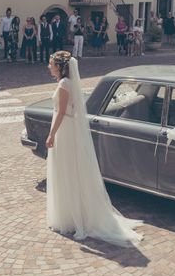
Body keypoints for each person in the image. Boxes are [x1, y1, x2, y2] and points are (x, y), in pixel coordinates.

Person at [45, 50, 142, 246]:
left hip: (64, 130)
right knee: (72, 171)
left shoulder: (64, 84)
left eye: (52, 64)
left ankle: (72, 218)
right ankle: (72, 213)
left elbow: (62, 112)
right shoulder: (69, 83)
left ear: (60, 67)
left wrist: (51, 134)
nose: (49, 67)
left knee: (66, 170)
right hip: (69, 128)